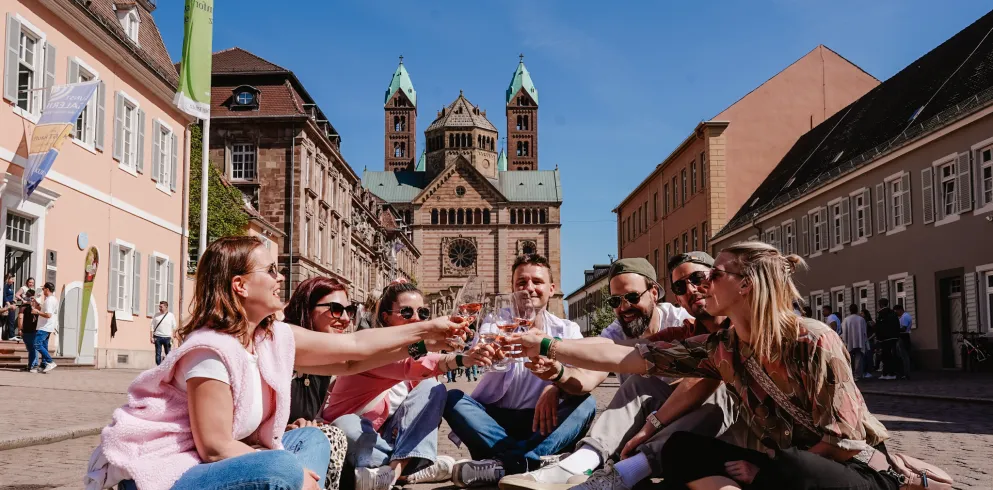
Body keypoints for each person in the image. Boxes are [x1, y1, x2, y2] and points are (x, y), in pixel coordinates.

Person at [510, 241, 901, 490]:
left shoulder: (814, 340)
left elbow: (843, 440)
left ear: (745, 284)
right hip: (770, 454)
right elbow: (630, 357)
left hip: (832, 464)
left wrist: (769, 471)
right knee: (680, 449)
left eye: (712, 275)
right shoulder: (720, 346)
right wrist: (548, 345)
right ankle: (597, 467)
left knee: (796, 467)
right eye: (685, 285)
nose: (701, 288)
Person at [84, 236, 463, 490]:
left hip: (234, 460)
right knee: (283, 467)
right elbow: (215, 447)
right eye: (271, 271)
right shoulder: (210, 351)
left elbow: (353, 351)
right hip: (170, 470)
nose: (280, 277)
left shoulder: (271, 336)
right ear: (240, 286)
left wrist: (430, 335)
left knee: (316, 436)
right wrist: (292, 469)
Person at [500, 253, 738, 490]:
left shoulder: (689, 320)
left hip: (709, 429)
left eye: (632, 297)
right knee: (638, 382)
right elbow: (618, 350)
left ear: (654, 293)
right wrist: (555, 367)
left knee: (716, 392)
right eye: (616, 301)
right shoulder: (684, 329)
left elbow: (702, 381)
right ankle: (581, 463)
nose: (624, 307)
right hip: (654, 428)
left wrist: (651, 425)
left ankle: (623, 472)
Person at [444, 254, 598, 487]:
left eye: (537, 282)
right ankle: (530, 464)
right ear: (513, 289)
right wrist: (487, 353)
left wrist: (556, 386)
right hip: (495, 423)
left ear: (551, 289)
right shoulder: (496, 322)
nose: (529, 289)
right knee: (451, 398)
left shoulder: (567, 328)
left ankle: (504, 465)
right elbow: (481, 346)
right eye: (521, 283)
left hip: (545, 423)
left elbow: (582, 372)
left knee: (587, 402)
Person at [323, 280, 492, 490]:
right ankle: (413, 467)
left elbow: (429, 362)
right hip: (356, 436)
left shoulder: (414, 350)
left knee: (433, 388)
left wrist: (465, 358)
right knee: (345, 426)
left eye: (422, 313)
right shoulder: (372, 343)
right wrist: (433, 341)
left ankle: (393, 472)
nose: (415, 318)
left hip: (385, 437)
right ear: (385, 317)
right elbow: (407, 363)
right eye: (406, 312)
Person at [32, 282, 59, 373]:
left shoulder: (49, 300)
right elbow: (45, 310)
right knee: (44, 346)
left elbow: (48, 315)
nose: (43, 290)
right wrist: (36, 303)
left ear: (47, 289)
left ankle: (50, 362)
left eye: (43, 289)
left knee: (37, 344)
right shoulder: (51, 299)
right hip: (47, 326)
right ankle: (43, 365)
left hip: (45, 327)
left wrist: (37, 312)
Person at [875, 298, 901, 380]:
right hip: (893, 337)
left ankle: (887, 373)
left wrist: (878, 337)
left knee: (885, 356)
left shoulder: (881, 314)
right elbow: (897, 324)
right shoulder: (893, 313)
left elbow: (880, 327)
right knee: (892, 355)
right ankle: (892, 373)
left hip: (885, 338)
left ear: (881, 304)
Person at [841, 304, 868, 381]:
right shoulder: (861, 319)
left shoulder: (846, 319)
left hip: (849, 341)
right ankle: (857, 375)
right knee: (858, 358)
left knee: (848, 358)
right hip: (859, 340)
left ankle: (849, 374)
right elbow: (864, 331)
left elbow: (844, 331)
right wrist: (865, 341)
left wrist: (845, 341)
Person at [19, 289, 41, 372]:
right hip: (30, 331)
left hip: (30, 331)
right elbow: (20, 318)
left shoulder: (25, 308)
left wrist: (20, 329)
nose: (31, 300)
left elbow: (20, 318)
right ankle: (33, 365)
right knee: (32, 349)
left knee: (32, 349)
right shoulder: (27, 308)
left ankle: (32, 365)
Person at [150, 301, 177, 366]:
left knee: (168, 354)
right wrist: (151, 337)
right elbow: (152, 326)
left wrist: (173, 336)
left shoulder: (171, 315)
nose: (160, 308)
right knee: (158, 353)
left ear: (166, 307)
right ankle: (158, 367)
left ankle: (167, 367)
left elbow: (174, 326)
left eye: (161, 307)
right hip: (157, 337)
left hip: (167, 337)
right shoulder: (156, 315)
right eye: (159, 306)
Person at [894, 304, 912, 379]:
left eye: (896, 311)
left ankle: (906, 373)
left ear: (900, 310)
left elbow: (903, 328)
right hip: (904, 336)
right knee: (902, 355)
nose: (896, 313)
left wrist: (894, 329)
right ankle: (904, 372)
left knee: (904, 356)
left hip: (903, 336)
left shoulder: (904, 317)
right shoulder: (905, 316)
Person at [861, 308, 875, 379]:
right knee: (864, 357)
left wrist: (869, 338)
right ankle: (864, 371)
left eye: (862, 313)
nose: (861, 315)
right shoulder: (862, 322)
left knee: (868, 357)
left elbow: (875, 332)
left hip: (869, 341)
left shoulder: (870, 322)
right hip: (864, 341)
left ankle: (868, 371)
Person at [2, 273, 16, 341]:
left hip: (11, 303)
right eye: (12, 279)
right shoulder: (6, 286)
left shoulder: (11, 286)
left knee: (11, 320)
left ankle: (11, 335)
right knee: (8, 320)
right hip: (8, 305)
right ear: (8, 279)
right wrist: (8, 304)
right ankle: (10, 335)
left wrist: (13, 300)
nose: (13, 280)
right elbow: (4, 296)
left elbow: (9, 295)